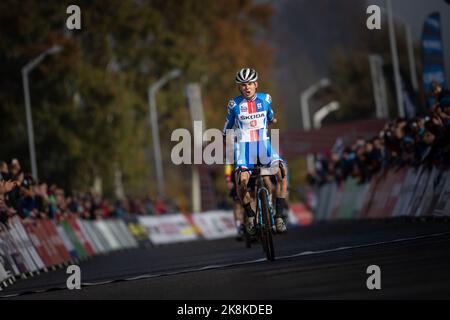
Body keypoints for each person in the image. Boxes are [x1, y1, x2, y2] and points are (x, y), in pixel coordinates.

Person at [223, 68, 288, 235]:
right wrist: (226, 137)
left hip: (264, 146)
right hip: (244, 149)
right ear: (239, 87)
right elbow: (228, 126)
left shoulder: (265, 99)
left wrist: (272, 120)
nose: (247, 87)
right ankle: (250, 216)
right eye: (243, 85)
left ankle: (279, 216)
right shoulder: (234, 104)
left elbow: (270, 116)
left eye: (250, 84)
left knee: (281, 173)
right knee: (241, 181)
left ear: (256, 84)